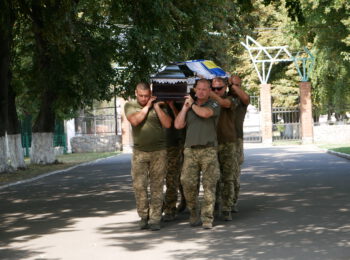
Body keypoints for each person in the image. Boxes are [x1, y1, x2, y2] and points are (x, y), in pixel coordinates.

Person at [124, 82, 172, 231]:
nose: (144, 98)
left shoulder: (159, 105)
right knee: (139, 186)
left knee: (157, 186)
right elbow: (135, 121)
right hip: (140, 152)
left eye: (147, 96)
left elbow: (168, 124)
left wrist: (156, 106)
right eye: (141, 96)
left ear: (151, 93)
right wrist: (147, 107)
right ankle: (144, 216)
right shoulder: (130, 106)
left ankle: (155, 218)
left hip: (159, 151)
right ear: (136, 93)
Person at [174, 78, 220, 229]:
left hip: (208, 150)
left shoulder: (213, 103)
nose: (201, 92)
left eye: (204, 89)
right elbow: (178, 124)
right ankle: (194, 212)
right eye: (198, 89)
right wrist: (185, 108)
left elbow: (205, 114)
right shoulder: (189, 106)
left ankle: (207, 218)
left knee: (209, 185)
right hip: (190, 151)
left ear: (209, 91)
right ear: (194, 90)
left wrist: (192, 105)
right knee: (187, 182)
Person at [209, 77, 239, 221]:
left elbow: (224, 103)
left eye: (219, 88)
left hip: (228, 142)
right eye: (213, 88)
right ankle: (214, 206)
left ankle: (227, 207)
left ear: (226, 87)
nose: (216, 91)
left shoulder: (232, 99)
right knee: (212, 178)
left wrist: (209, 93)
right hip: (211, 143)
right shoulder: (207, 101)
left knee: (227, 177)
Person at [229, 75, 250, 213]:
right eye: (232, 85)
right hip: (219, 139)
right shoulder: (224, 97)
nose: (235, 88)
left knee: (234, 172)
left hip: (236, 139)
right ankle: (222, 200)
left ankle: (232, 201)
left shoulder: (241, 100)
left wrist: (233, 86)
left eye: (238, 85)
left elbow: (246, 98)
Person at [163, 101, 186, 221]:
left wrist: (172, 105)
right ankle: (167, 207)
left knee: (179, 176)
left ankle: (179, 204)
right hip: (164, 144)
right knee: (170, 177)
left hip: (179, 142)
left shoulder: (182, 102)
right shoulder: (157, 103)